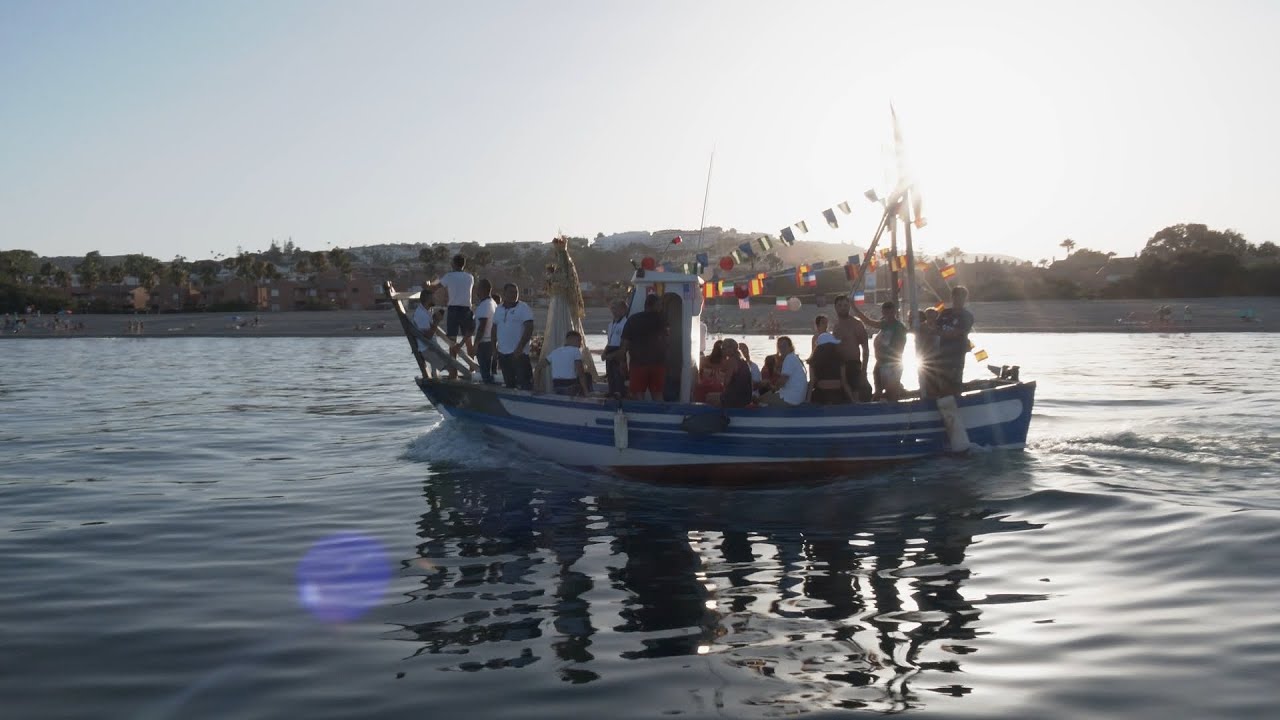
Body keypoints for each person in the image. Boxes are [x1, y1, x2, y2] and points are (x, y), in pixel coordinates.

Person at [854, 301, 909, 401]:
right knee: (878, 391)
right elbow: (868, 321)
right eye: (885, 312)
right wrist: (854, 307)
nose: (888, 315)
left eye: (890, 312)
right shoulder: (884, 324)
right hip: (880, 364)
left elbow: (900, 347)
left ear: (894, 312)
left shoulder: (899, 327)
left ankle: (894, 408)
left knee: (891, 393)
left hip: (892, 365)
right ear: (883, 312)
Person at [621, 293, 668, 400]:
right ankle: (660, 415)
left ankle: (640, 415)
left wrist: (622, 361)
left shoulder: (633, 319)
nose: (661, 308)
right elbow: (667, 339)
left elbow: (625, 342)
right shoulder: (662, 320)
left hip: (638, 363)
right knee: (657, 394)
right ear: (654, 305)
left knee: (638, 393)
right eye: (659, 305)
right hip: (658, 363)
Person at [440, 255, 476, 378]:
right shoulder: (470, 277)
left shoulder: (449, 276)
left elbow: (436, 286)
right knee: (469, 341)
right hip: (466, 309)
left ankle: (453, 371)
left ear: (454, 264)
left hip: (454, 309)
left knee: (452, 341)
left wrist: (430, 284)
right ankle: (472, 369)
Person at [493, 283, 535, 390]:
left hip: (519, 354)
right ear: (504, 293)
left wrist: (520, 347)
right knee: (509, 383)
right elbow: (494, 329)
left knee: (525, 383)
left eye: (516, 292)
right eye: (511, 292)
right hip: (503, 354)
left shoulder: (523, 308)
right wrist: (494, 348)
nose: (514, 295)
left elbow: (529, 328)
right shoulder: (498, 309)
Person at [935, 286, 974, 396]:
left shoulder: (967, 316)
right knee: (942, 380)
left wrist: (945, 333)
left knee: (955, 381)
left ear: (965, 299)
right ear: (952, 297)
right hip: (943, 353)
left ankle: (956, 400)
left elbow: (958, 333)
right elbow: (936, 328)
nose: (958, 300)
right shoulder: (945, 313)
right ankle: (943, 400)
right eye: (956, 297)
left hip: (957, 353)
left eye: (961, 297)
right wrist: (943, 333)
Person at [831, 295, 870, 401]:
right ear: (835, 307)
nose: (843, 308)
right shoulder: (836, 326)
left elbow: (865, 349)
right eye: (840, 305)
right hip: (838, 366)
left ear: (849, 307)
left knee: (856, 394)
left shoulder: (856, 324)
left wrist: (864, 371)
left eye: (845, 305)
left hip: (853, 365)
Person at [536, 330, 591, 396]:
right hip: (570, 386)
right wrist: (586, 391)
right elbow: (581, 373)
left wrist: (536, 386)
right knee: (587, 376)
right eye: (579, 341)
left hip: (556, 386)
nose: (580, 344)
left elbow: (538, 367)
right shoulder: (575, 350)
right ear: (570, 340)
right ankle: (586, 396)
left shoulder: (555, 352)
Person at [758, 336, 807, 406]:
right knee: (765, 396)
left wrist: (773, 387)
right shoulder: (794, 357)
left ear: (790, 347)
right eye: (779, 346)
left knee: (759, 400)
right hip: (797, 396)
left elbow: (782, 381)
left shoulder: (789, 358)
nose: (781, 348)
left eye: (784, 345)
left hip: (791, 398)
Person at [807, 332, 854, 404]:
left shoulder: (813, 361)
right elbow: (844, 382)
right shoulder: (840, 359)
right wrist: (853, 400)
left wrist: (808, 401)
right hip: (838, 395)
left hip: (820, 395)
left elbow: (812, 382)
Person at [472, 278, 499, 384]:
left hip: (484, 344)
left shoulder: (485, 305)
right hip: (492, 342)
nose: (476, 291)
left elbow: (482, 326)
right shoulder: (493, 303)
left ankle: (490, 392)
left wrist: (476, 344)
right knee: (492, 372)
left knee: (485, 373)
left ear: (482, 289)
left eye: (478, 288)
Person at [601, 299, 629, 397]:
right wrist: (604, 352)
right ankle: (611, 391)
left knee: (619, 374)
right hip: (610, 349)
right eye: (612, 308)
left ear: (623, 310)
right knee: (610, 374)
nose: (613, 310)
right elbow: (609, 341)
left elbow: (624, 343)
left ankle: (620, 393)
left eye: (616, 308)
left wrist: (615, 355)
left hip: (620, 350)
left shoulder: (626, 323)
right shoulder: (610, 324)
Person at [718, 339, 754, 408]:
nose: (722, 350)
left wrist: (719, 377)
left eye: (723, 348)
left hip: (735, 399)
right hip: (746, 398)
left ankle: (718, 417)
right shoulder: (742, 360)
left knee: (709, 397)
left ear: (730, 349)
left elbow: (726, 383)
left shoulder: (732, 361)